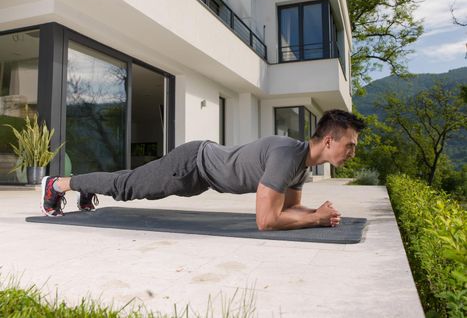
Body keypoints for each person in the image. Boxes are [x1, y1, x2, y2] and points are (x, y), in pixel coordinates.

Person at [41, 109, 365, 231]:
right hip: (192, 163)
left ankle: (83, 187)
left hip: (202, 176)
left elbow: (290, 210)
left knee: (126, 185)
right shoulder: (285, 154)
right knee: (127, 188)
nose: (353, 151)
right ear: (328, 140)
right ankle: (59, 184)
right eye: (349, 144)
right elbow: (267, 220)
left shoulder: (301, 167)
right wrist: (314, 218)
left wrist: (320, 214)